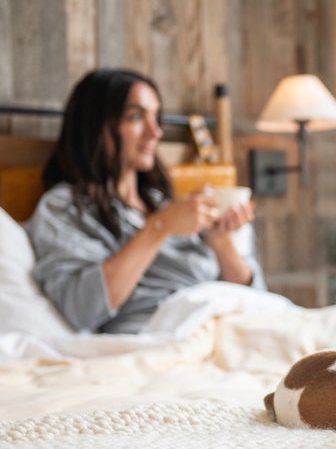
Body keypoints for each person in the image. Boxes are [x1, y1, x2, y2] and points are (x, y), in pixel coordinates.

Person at [26, 68, 266, 334]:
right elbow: (81, 310)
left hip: (229, 325)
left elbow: (258, 299)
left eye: (156, 117)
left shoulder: (164, 202)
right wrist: (159, 228)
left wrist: (220, 242)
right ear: (94, 125)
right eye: (137, 116)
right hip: (163, 337)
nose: (156, 132)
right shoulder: (64, 207)